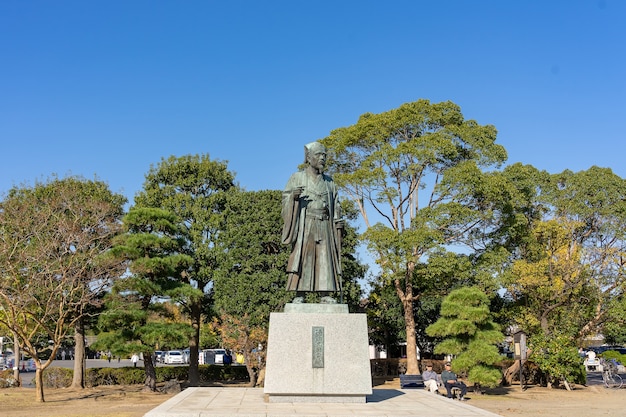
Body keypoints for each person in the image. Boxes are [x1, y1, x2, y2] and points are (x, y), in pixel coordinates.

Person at [282, 141, 343, 303]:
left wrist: (338, 218)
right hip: (306, 223)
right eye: (318, 155)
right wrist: (293, 197)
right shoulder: (297, 178)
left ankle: (326, 294)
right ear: (308, 158)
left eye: (324, 155)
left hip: (324, 224)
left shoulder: (329, 182)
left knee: (325, 258)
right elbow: (285, 199)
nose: (322, 158)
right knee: (303, 258)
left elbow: (336, 203)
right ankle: (299, 294)